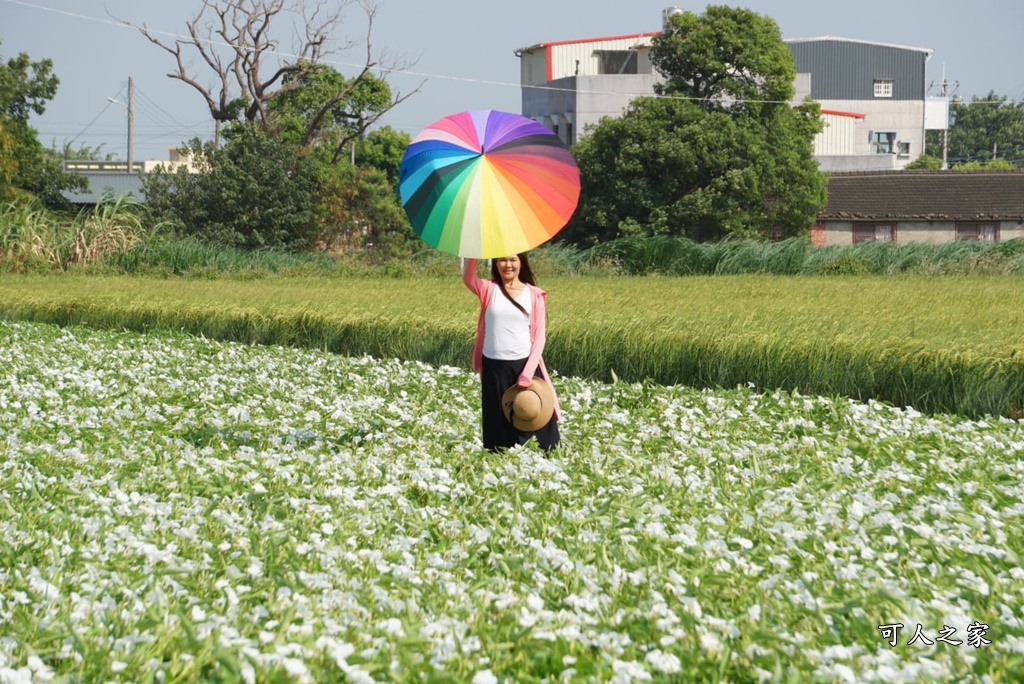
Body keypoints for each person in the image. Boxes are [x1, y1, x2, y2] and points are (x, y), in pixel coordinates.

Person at [463, 253, 561, 452]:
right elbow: (468, 278)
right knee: (497, 425)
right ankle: (499, 464)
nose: (508, 265)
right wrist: (474, 250)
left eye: (513, 260)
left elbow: (540, 337)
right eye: (502, 260)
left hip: (524, 365)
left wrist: (527, 372)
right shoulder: (489, 289)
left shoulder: (533, 294)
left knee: (534, 416)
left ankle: (545, 462)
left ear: (521, 263)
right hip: (493, 366)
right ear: (495, 264)